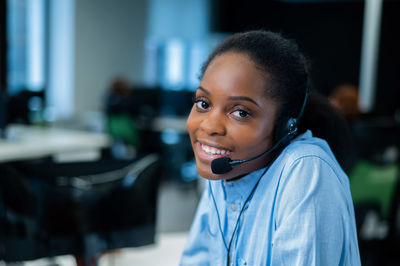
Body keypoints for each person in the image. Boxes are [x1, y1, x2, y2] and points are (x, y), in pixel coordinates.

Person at [180, 30, 361, 265]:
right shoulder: (224, 172)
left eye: (241, 112)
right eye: (203, 103)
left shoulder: (305, 170)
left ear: (285, 125)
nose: (210, 125)